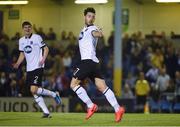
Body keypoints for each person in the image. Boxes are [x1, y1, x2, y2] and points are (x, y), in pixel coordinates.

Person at [70, 7, 125, 122]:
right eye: (89, 16)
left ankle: (90, 106)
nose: (91, 18)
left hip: (88, 61)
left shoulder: (92, 28)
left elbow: (96, 33)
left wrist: (99, 33)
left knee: (73, 85)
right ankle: (118, 109)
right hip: (93, 62)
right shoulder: (83, 30)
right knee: (102, 87)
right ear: (84, 16)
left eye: (93, 17)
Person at [13, 21, 61, 118]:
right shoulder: (21, 40)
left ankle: (53, 94)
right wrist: (18, 63)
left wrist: (43, 59)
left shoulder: (37, 37)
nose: (27, 29)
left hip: (38, 67)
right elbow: (22, 54)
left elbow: (46, 49)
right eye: (25, 27)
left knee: (33, 89)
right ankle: (46, 112)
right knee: (33, 91)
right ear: (23, 29)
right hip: (29, 69)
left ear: (31, 28)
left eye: (29, 27)